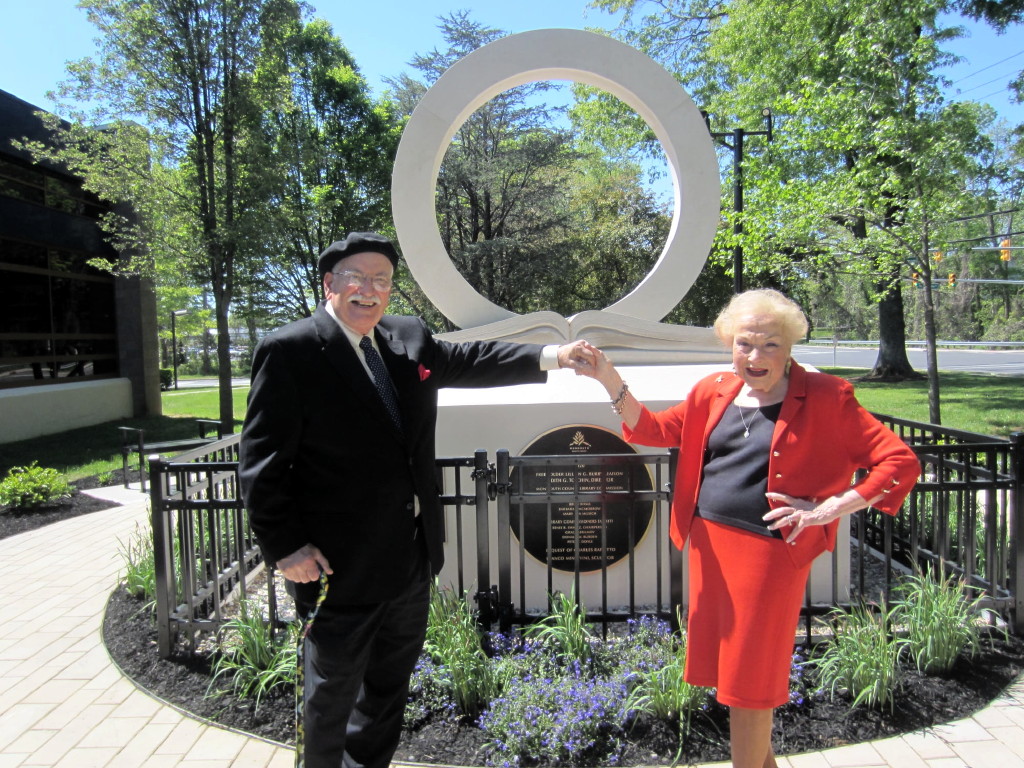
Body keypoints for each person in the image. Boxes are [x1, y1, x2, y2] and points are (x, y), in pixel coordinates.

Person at [238, 231, 594, 768]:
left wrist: (555, 355)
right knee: (330, 698)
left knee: (386, 692)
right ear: (330, 283)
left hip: (411, 560)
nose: (370, 290)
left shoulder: (407, 338)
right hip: (339, 566)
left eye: (382, 280)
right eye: (357, 277)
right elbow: (262, 462)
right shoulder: (291, 351)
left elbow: (473, 357)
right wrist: (285, 547)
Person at [575, 288, 920, 768]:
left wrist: (827, 509)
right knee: (733, 677)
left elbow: (899, 462)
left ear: (791, 346)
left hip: (769, 556)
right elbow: (654, 430)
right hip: (711, 550)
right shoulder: (712, 390)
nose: (755, 357)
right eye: (745, 344)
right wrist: (608, 379)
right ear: (728, 343)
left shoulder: (827, 397)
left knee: (749, 686)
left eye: (770, 345)